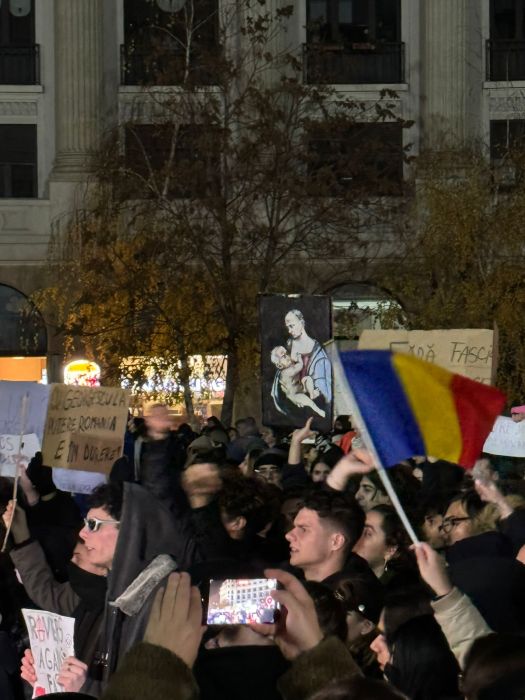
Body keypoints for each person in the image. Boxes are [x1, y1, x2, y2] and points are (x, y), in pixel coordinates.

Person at [285, 488, 368, 585]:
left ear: (336, 542)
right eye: (294, 527)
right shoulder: (282, 581)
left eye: (303, 529)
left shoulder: (354, 597)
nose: (288, 535)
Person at [271, 309, 331, 420]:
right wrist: (290, 396)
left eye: (291, 326)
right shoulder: (287, 346)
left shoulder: (317, 351)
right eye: (287, 327)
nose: (289, 330)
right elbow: (282, 379)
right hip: (292, 403)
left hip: (311, 400)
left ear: (301, 322)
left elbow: (323, 381)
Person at [270, 346, 326, 418]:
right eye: (283, 356)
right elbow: (300, 366)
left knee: (307, 379)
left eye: (287, 353)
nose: (287, 356)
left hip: (301, 387)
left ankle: (312, 394)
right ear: (279, 365)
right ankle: (319, 411)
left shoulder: (290, 365)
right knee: (310, 403)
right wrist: (299, 357)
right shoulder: (286, 372)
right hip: (295, 394)